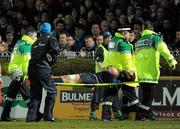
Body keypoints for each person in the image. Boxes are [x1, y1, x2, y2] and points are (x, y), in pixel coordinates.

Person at [134, 21, 177, 120]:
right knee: (150, 97)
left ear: (143, 29)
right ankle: (140, 114)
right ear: (152, 28)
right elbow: (164, 50)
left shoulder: (139, 41)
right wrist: (172, 61)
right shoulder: (155, 38)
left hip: (140, 73)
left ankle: (149, 115)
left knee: (146, 95)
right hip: (150, 72)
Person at [101, 27, 140, 121]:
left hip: (112, 71)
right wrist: (130, 71)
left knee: (109, 94)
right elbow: (127, 59)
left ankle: (105, 117)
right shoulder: (123, 43)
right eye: (129, 34)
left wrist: (107, 67)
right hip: (122, 72)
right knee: (131, 93)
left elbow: (110, 56)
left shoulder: (113, 41)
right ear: (124, 33)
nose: (130, 37)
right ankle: (139, 115)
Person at [1, 28, 37, 121]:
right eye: (35, 36)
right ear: (31, 36)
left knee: (11, 93)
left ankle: (5, 115)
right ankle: (35, 114)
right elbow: (26, 62)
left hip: (14, 69)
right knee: (26, 93)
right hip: (20, 71)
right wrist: (26, 75)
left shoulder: (20, 42)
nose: (36, 38)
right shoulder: (27, 44)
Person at [26, 22, 60, 122]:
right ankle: (48, 116)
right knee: (52, 91)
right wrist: (52, 60)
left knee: (35, 94)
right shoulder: (51, 38)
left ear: (40, 31)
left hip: (31, 68)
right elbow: (56, 51)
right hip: (42, 68)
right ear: (50, 31)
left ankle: (31, 118)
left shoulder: (35, 42)